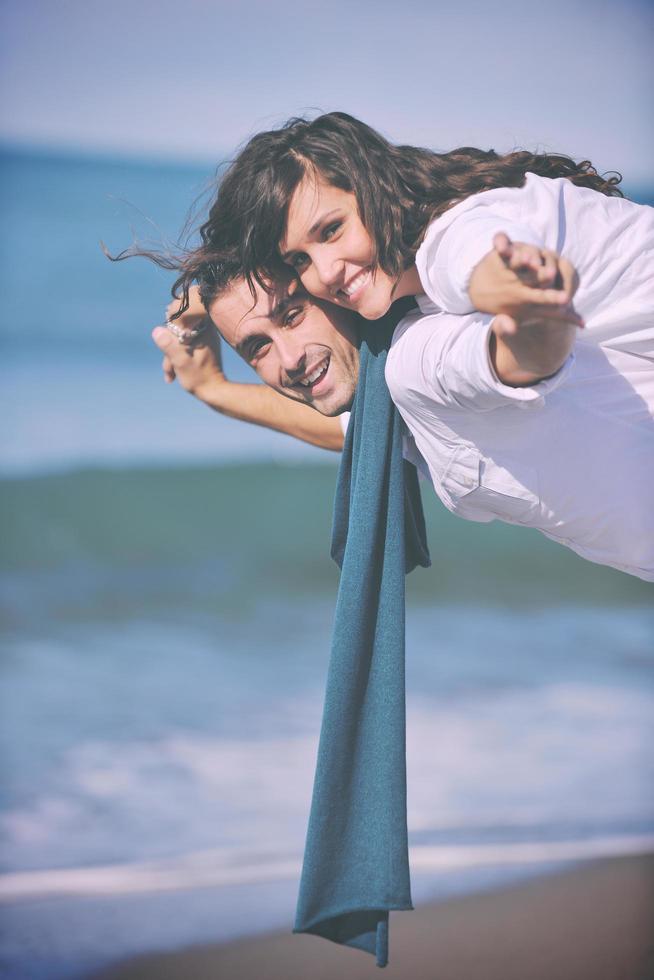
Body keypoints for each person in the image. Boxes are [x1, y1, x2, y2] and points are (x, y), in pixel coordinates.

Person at [153, 238, 653, 580]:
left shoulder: (416, 357)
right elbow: (359, 429)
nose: (290, 359)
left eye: (293, 315)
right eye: (257, 348)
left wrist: (538, 316)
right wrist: (213, 384)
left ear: (334, 290)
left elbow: (514, 356)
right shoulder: (382, 390)